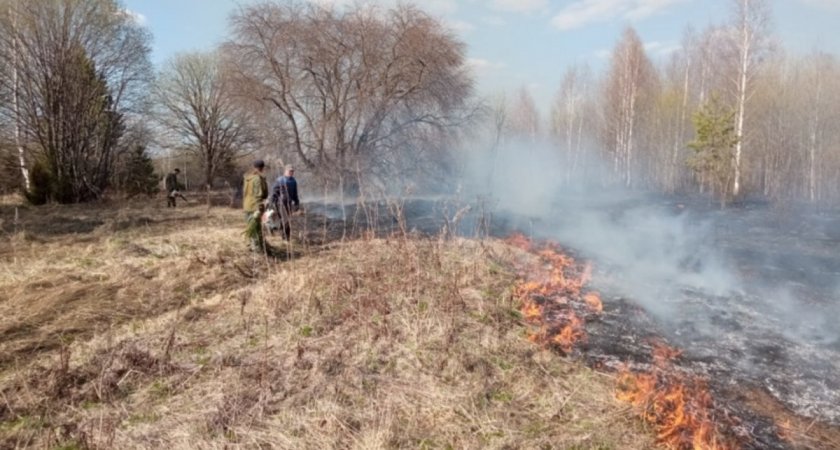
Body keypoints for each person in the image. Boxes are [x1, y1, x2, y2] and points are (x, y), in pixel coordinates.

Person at [242, 160, 269, 252]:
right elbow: (259, 194)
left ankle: (252, 246)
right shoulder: (258, 178)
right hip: (255, 207)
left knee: (250, 227)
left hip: (247, 206)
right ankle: (257, 250)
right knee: (256, 229)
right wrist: (259, 208)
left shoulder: (247, 178)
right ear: (262, 168)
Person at [270, 165, 300, 241]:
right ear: (285, 171)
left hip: (288, 204)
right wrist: (272, 202)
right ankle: (286, 239)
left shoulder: (293, 181)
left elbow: (295, 193)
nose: (291, 172)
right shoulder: (280, 180)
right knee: (286, 221)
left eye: (292, 171)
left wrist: (297, 203)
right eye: (289, 171)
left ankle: (273, 227)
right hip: (280, 203)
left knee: (284, 220)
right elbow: (274, 192)